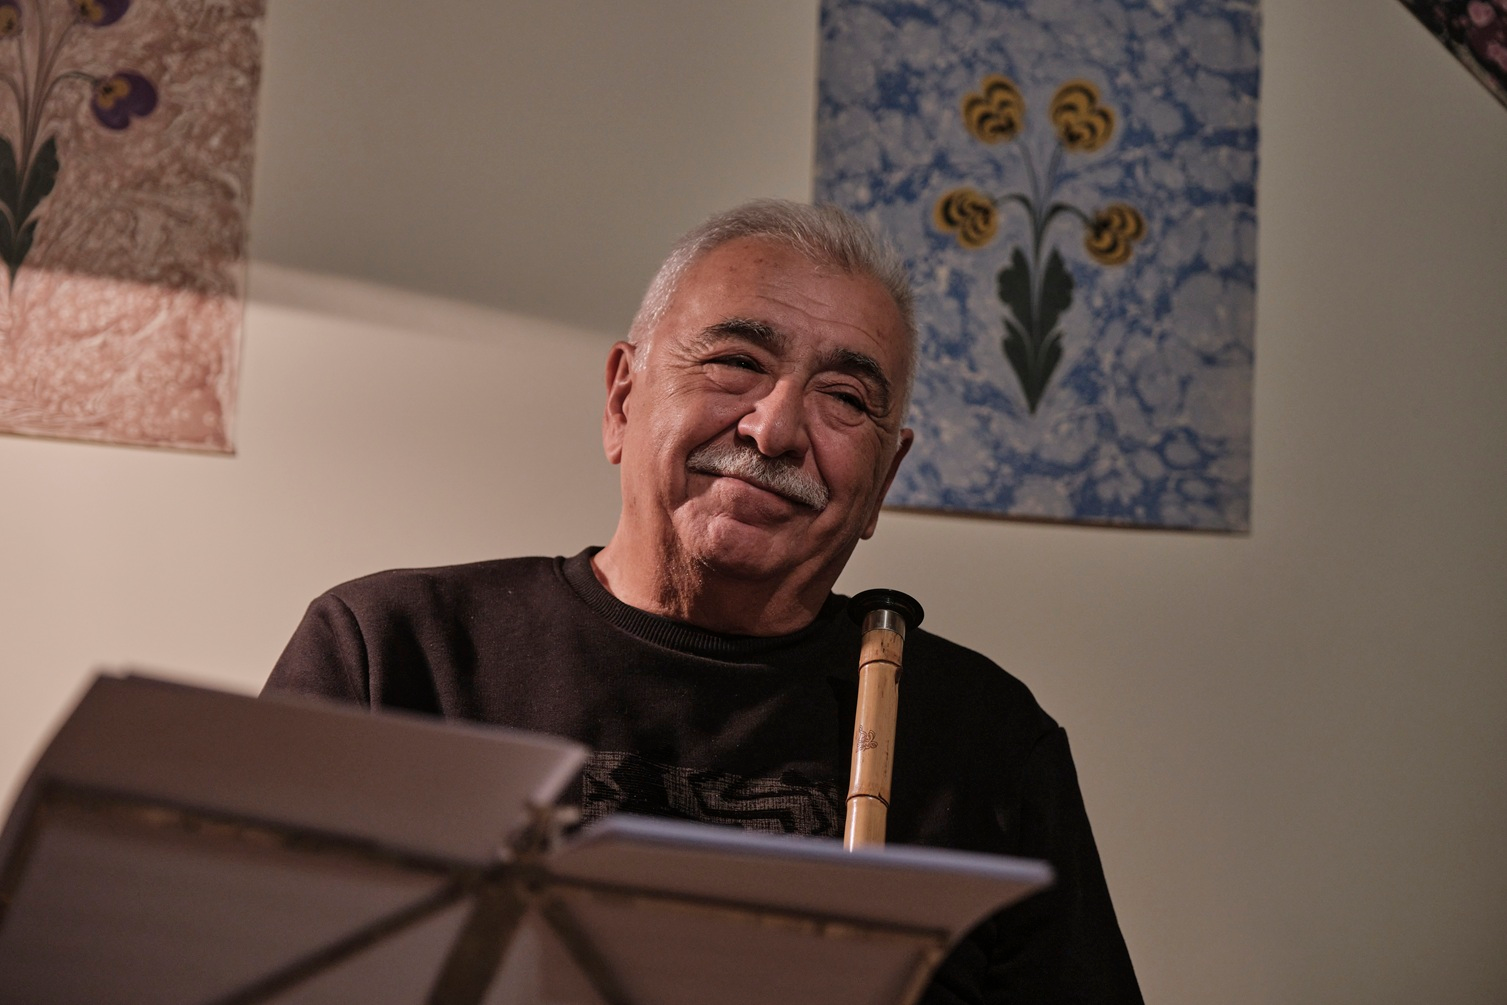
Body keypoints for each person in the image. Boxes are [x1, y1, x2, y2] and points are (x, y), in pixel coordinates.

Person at [265, 199, 1142, 1003]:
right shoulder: (390, 654)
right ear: (621, 398)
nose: (775, 428)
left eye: (845, 398)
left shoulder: (987, 741)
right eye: (735, 363)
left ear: (883, 481)